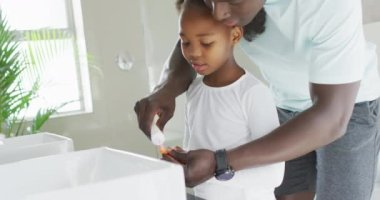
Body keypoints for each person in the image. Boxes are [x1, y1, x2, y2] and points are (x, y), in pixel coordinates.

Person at [134, 0, 380, 199]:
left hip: (347, 107)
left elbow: (331, 116)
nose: (218, 12)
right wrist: (165, 89)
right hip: (284, 103)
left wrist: (220, 163)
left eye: (232, 1)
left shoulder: (327, 4)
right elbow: (192, 35)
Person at [162, 0, 284, 199]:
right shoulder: (194, 90)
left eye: (206, 42)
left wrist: (211, 171)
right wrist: (181, 159)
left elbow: (273, 175)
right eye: (185, 42)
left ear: (235, 35)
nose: (193, 52)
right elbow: (196, 152)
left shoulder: (253, 93)